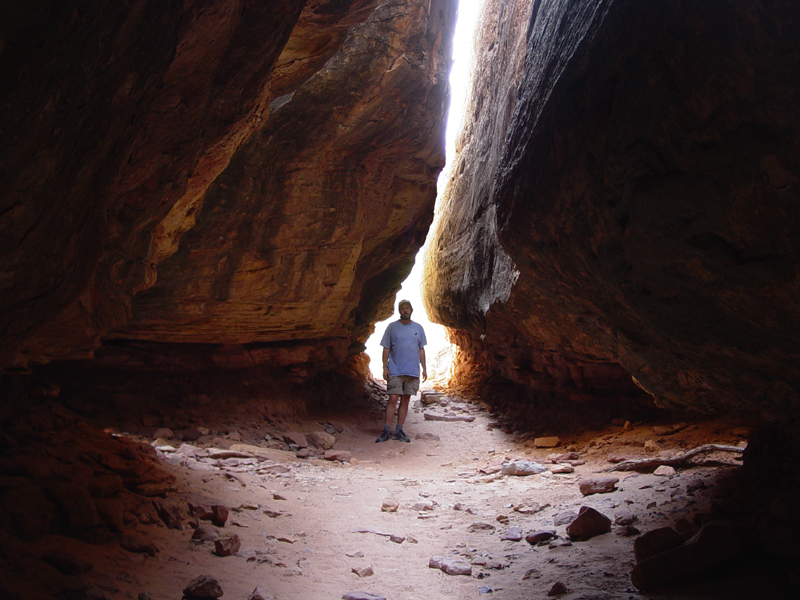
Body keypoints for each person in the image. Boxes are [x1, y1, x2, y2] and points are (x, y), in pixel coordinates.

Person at [376, 299, 427, 443]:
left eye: (407, 308)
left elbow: (421, 349)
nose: (405, 310)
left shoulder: (418, 328)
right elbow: (386, 348)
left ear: (411, 310)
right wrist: (384, 366)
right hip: (396, 369)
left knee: (406, 400)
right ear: (399, 311)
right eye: (402, 308)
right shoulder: (392, 327)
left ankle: (399, 430)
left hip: (412, 370)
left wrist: (424, 368)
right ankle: (386, 430)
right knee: (393, 398)